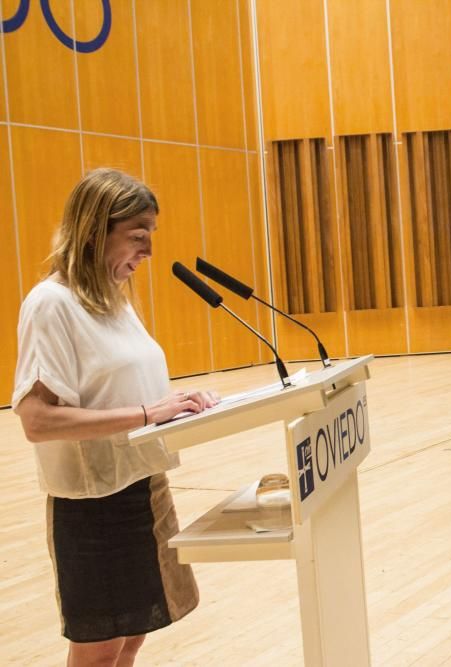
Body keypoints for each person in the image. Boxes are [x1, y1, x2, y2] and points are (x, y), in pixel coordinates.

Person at [12, 169, 220, 666]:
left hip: (143, 486)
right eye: (137, 235)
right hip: (93, 502)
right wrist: (149, 411)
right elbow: (37, 419)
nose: (147, 251)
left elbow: (114, 389)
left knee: (134, 634)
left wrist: (178, 403)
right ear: (93, 230)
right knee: (99, 645)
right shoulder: (51, 304)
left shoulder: (112, 300)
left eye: (151, 236)